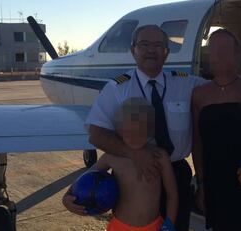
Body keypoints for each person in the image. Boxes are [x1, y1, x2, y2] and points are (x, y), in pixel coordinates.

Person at [64, 25, 206, 231]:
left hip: (175, 172)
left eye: (158, 45)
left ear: (166, 52)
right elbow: (96, 134)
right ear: (133, 51)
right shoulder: (118, 88)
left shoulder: (184, 82)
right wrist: (135, 154)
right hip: (132, 172)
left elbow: (219, 88)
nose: (151, 50)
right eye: (144, 44)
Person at [192, 29, 241, 230]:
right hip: (215, 180)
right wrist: (202, 185)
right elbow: (197, 142)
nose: (218, 55)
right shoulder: (199, 94)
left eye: (225, 49)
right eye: (213, 50)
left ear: (237, 54)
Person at [81, 97, 178, 231]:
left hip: (154, 227)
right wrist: (68, 196)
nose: (135, 135)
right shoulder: (112, 156)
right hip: (120, 227)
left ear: (150, 129)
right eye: (129, 130)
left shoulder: (160, 157)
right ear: (119, 130)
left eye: (141, 130)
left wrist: (169, 223)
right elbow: (87, 176)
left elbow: (172, 195)